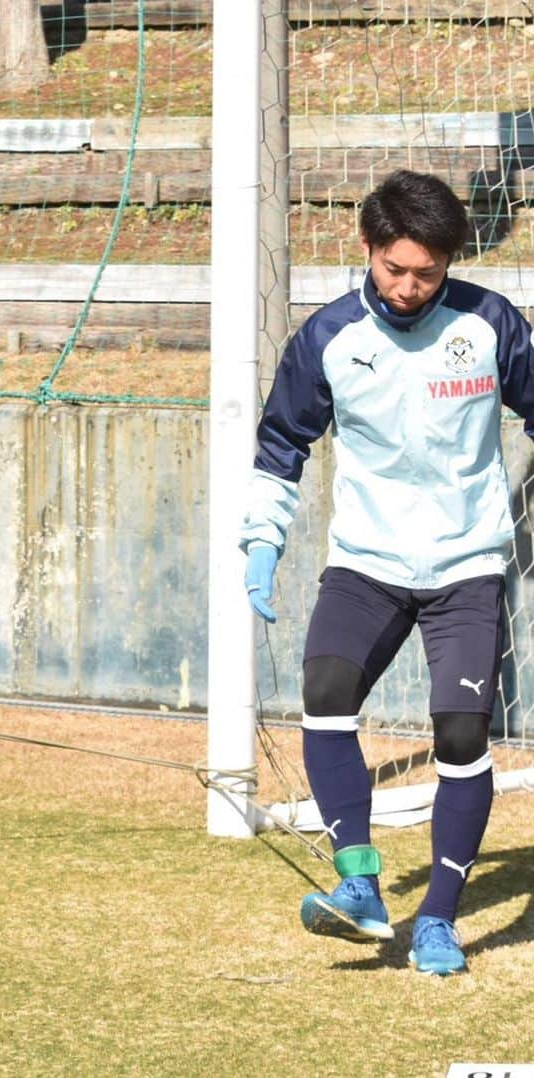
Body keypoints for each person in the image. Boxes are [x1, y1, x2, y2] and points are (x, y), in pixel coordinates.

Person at [239, 169, 534, 977]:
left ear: (450, 264)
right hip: (366, 565)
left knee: (463, 734)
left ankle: (438, 918)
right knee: (326, 697)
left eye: (427, 274)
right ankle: (361, 885)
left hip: (467, 568)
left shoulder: (492, 324)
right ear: (367, 248)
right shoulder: (329, 338)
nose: (408, 287)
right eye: (394, 268)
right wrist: (261, 540)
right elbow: (279, 449)